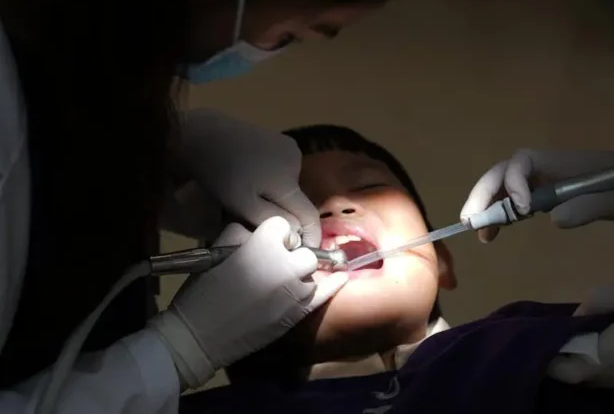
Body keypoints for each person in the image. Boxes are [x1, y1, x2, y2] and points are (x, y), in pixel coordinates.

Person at [0, 0, 456, 412]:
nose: (338, 205)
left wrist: (179, 149)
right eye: (296, 33)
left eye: (369, 184)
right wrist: (180, 350)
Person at [180, 125, 614, 413]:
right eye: (292, 206)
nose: (335, 206)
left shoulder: (533, 346)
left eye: (369, 186)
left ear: (441, 260)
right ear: (231, 292)